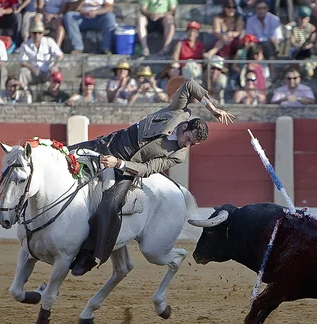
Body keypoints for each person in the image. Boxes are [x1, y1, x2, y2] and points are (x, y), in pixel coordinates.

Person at [67, 78, 235, 276]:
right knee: (66, 153)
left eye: (193, 144)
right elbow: (190, 85)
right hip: (113, 142)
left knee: (110, 206)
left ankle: (89, 255)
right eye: (188, 139)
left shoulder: (179, 155)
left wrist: (118, 164)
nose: (187, 145)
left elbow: (146, 169)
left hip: (127, 168)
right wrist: (212, 109)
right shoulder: (177, 112)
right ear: (185, 126)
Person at [18, 18, 62, 88]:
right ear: (31, 33)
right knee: (23, 72)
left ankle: (53, 92)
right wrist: (32, 68)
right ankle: (23, 91)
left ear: (43, 34)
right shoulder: (25, 45)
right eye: (34, 33)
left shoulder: (49, 41)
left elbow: (59, 55)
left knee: (55, 72)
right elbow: (22, 62)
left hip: (48, 70)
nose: (37, 35)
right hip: (32, 72)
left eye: (39, 33)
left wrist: (55, 66)